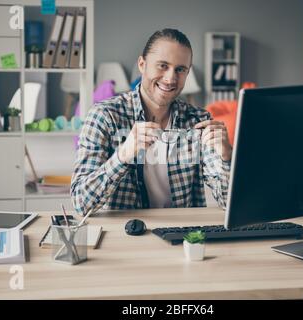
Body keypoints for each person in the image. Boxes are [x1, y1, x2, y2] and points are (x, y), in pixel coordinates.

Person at [71, 28, 232, 216]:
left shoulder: (199, 121)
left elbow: (227, 202)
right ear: (142, 64)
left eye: (180, 69)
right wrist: (122, 156)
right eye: (163, 65)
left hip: (183, 237)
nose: (171, 78)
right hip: (124, 237)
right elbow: (81, 203)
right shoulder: (104, 116)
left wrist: (227, 158)